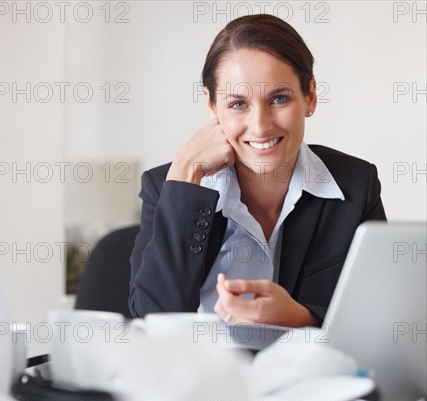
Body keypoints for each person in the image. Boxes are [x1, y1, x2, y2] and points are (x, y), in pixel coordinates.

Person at [129, 14, 386, 327]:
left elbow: (379, 321)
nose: (261, 126)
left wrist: (299, 318)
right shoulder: (165, 186)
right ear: (212, 106)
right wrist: (186, 172)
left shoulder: (356, 185)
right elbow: (152, 319)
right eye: (238, 104)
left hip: (309, 375)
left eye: (279, 98)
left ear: (310, 96)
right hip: (203, 374)